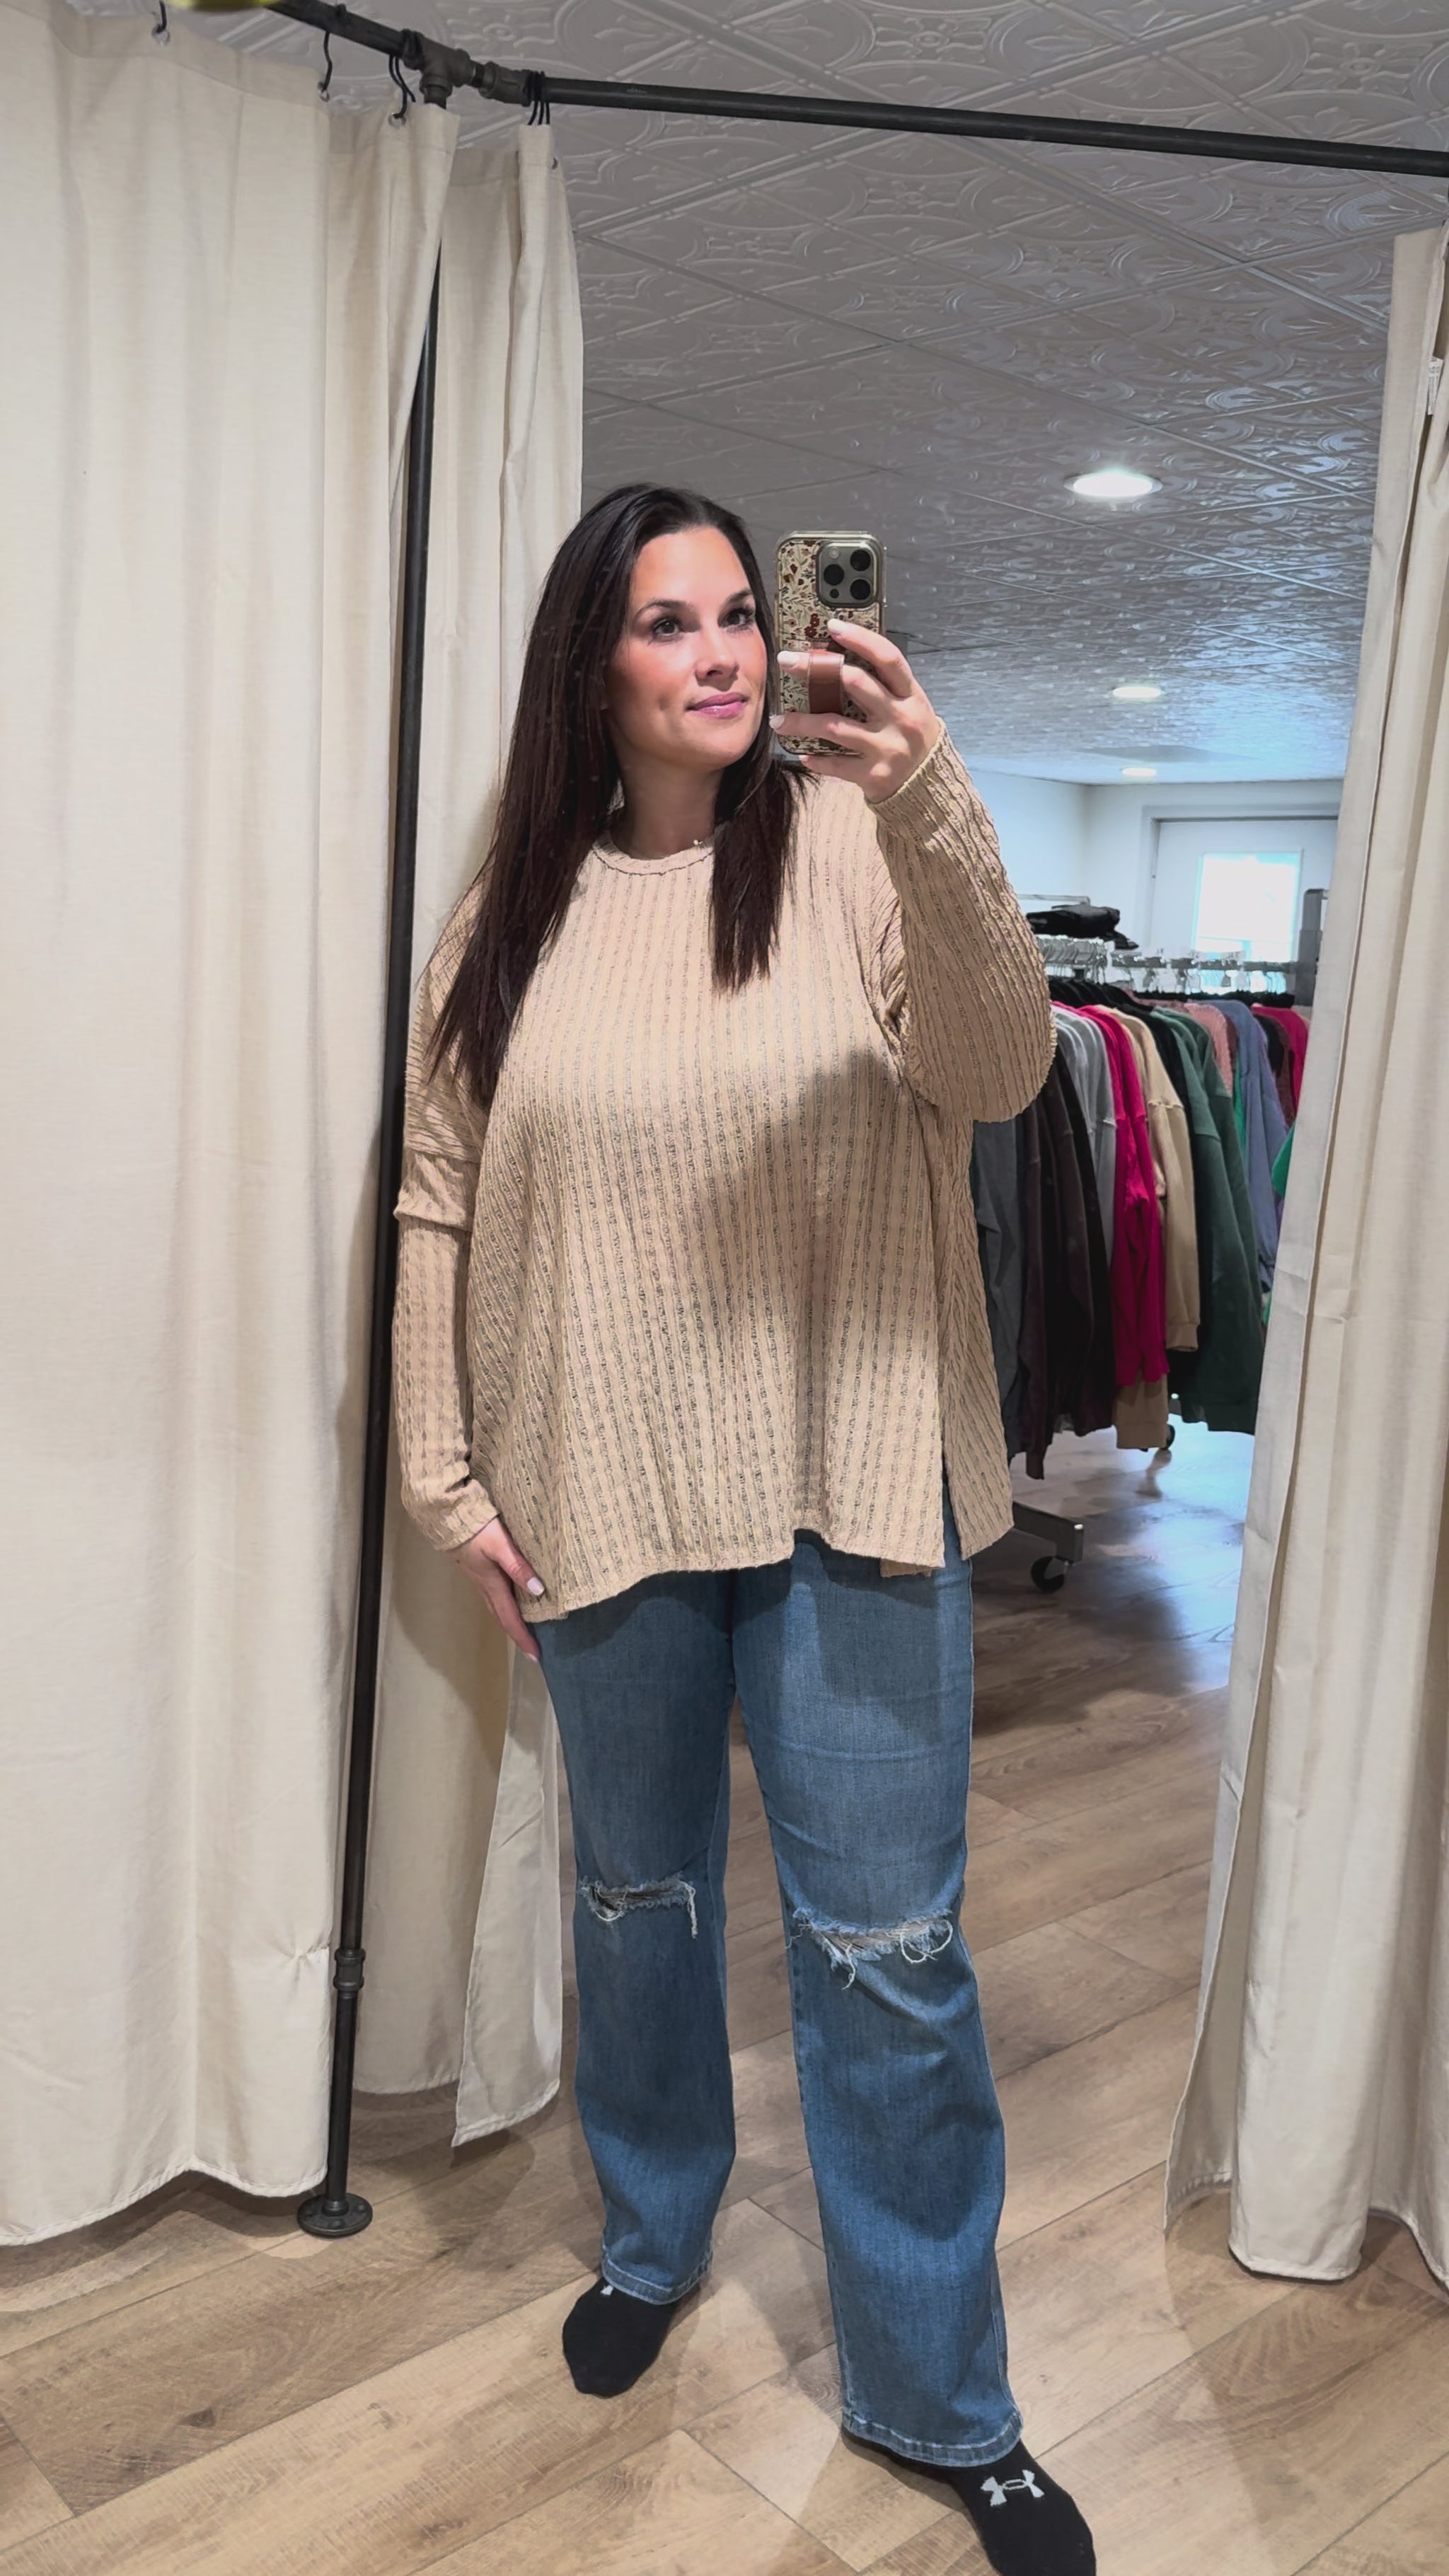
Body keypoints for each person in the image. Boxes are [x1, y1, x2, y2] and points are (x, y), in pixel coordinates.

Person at [392, 483, 1092, 2576]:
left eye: (734, 615)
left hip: (848, 1470)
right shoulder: (507, 917)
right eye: (664, 620)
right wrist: (442, 1471)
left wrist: (929, 789)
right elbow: (437, 1199)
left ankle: (943, 2397)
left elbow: (1005, 1066)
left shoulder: (862, 846)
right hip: (594, 1483)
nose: (716, 650)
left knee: (889, 1954)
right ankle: (654, 2231)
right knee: (638, 1903)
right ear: (589, 667)